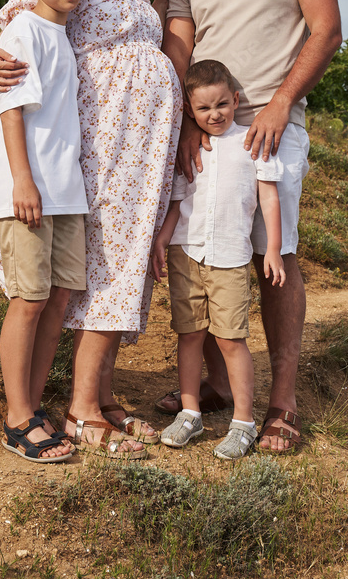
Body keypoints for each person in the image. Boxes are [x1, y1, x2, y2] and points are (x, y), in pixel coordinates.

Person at [0, 0, 182, 459]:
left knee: (110, 267)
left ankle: (103, 396)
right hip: (99, 143)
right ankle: (69, 406)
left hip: (136, 152)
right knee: (92, 269)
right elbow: (18, 23)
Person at [157, 0, 342, 453]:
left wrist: (284, 102)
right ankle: (214, 386)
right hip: (206, 131)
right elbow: (180, 46)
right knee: (208, 253)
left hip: (270, 124)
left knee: (274, 255)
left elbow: (326, 29)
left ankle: (282, 406)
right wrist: (187, 121)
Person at [0, 0, 89, 463]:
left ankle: (34, 404)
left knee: (59, 299)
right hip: (28, 189)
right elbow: (11, 110)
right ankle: (16, 418)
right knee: (28, 299)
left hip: (66, 192)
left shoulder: (62, 35)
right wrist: (23, 179)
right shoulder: (24, 29)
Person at [151, 60, 285, 460]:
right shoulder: (191, 147)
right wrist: (161, 240)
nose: (215, 115)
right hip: (186, 252)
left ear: (236, 99)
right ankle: (190, 413)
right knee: (189, 334)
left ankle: (243, 423)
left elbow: (269, 199)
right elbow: (178, 203)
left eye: (222, 104)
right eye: (204, 109)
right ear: (191, 112)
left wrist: (274, 249)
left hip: (230, 257)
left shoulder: (251, 142)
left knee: (230, 338)